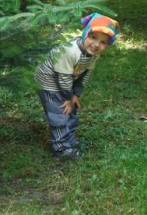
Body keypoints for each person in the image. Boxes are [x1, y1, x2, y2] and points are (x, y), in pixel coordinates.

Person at [35, 13, 120, 158]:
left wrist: (75, 95)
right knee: (60, 112)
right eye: (93, 37)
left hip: (66, 81)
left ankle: (69, 139)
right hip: (49, 80)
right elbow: (63, 78)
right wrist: (67, 97)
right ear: (85, 33)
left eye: (103, 42)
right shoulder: (70, 51)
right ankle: (61, 149)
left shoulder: (93, 54)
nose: (96, 45)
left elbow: (85, 74)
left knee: (72, 109)